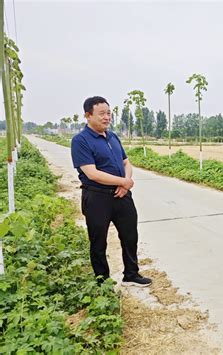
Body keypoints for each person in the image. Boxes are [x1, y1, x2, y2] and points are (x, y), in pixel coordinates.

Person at [71, 96, 152, 287]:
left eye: (109, 113)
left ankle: (131, 274)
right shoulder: (80, 141)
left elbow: (126, 162)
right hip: (97, 197)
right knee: (98, 241)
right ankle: (102, 281)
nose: (107, 117)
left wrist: (125, 184)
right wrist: (124, 181)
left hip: (122, 195)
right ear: (88, 115)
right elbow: (92, 173)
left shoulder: (113, 136)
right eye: (102, 114)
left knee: (130, 235)